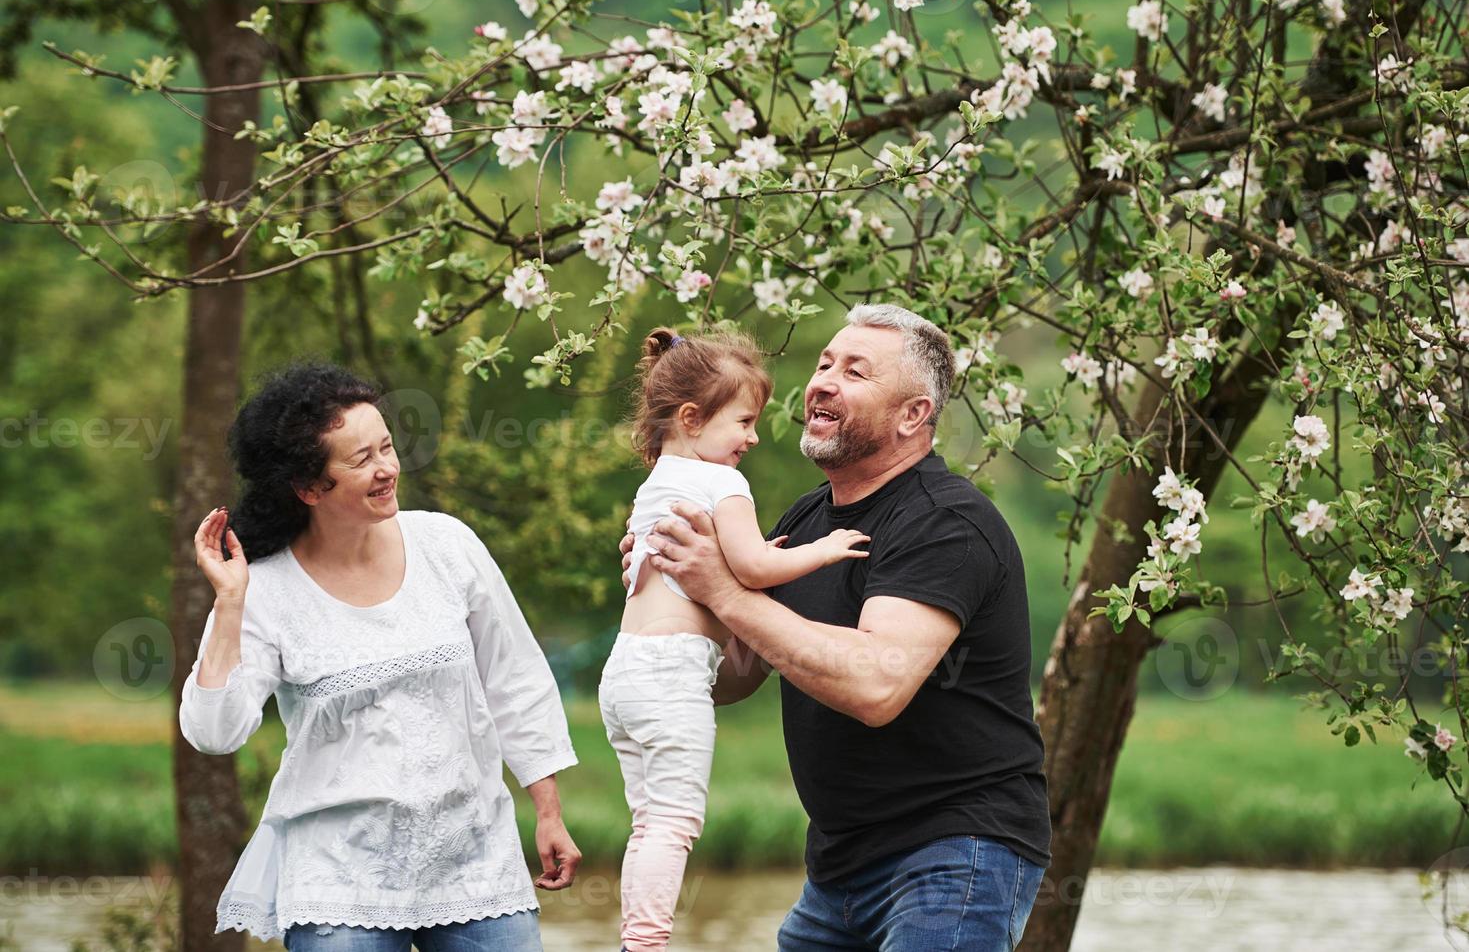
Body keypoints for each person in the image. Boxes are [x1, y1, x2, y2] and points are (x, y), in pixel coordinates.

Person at [622, 304, 1052, 951]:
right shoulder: (806, 519)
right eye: (824, 364)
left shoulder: (946, 522)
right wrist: (675, 605)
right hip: (837, 865)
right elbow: (736, 673)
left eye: (854, 372)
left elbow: (874, 687)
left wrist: (723, 591)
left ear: (913, 415)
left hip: (955, 850)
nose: (821, 382)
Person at [179, 362, 581, 952]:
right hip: (339, 880)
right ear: (310, 487)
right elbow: (216, 733)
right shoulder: (263, 589)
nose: (387, 468)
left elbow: (515, 680)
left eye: (387, 447)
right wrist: (232, 602)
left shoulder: (447, 544)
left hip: (473, 862)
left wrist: (547, 810)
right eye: (361, 459)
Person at [602, 326, 870, 952]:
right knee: (674, 823)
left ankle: (634, 939)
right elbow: (749, 570)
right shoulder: (723, 484)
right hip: (673, 677)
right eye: (744, 422)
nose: (752, 437)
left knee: (649, 823)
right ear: (693, 419)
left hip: (624, 674)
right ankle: (644, 945)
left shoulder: (656, 483)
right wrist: (821, 550)